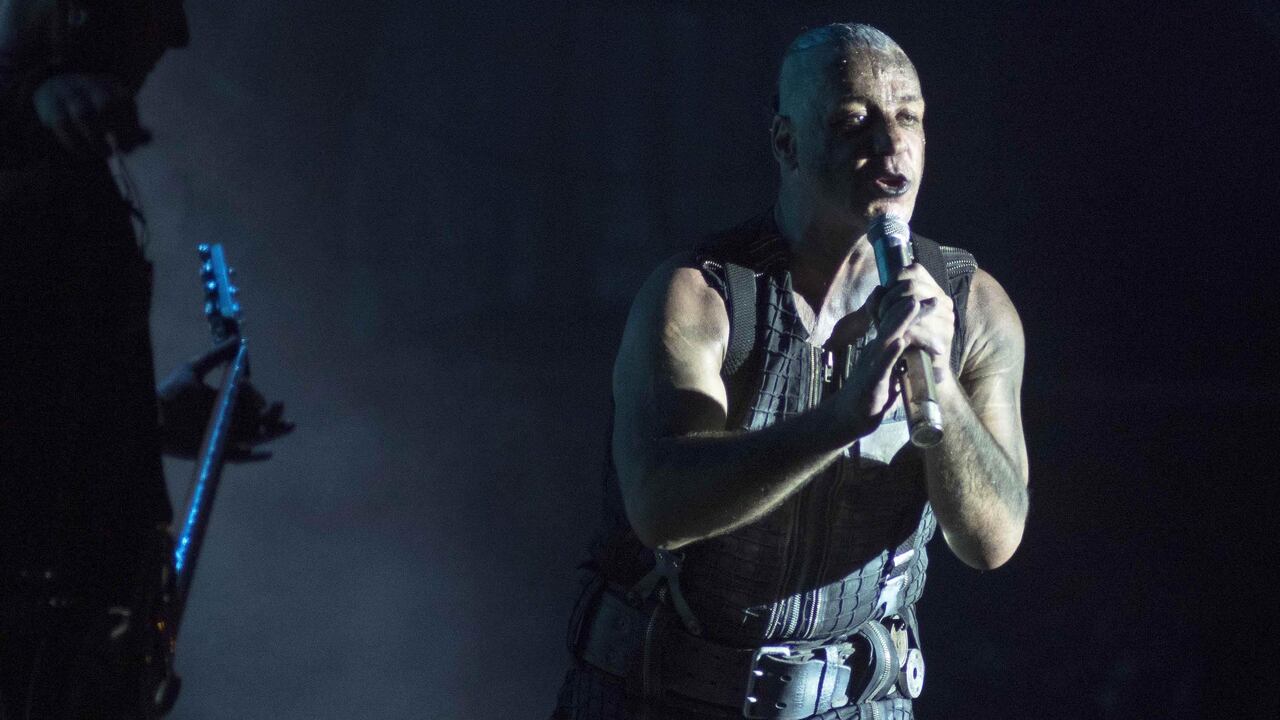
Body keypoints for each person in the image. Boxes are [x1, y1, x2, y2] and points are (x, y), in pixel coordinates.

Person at [553, 23, 1028, 720]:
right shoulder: (705, 296)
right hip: (658, 700)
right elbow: (659, 508)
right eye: (853, 122)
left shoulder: (971, 307)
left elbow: (994, 541)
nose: (890, 145)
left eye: (909, 118)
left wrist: (942, 385)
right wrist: (839, 422)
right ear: (786, 143)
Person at [1, 2, 290, 717]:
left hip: (73, 642)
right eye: (153, 8)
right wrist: (28, 97)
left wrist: (145, 418)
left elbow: (34, 393)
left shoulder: (74, 177)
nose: (172, 37)